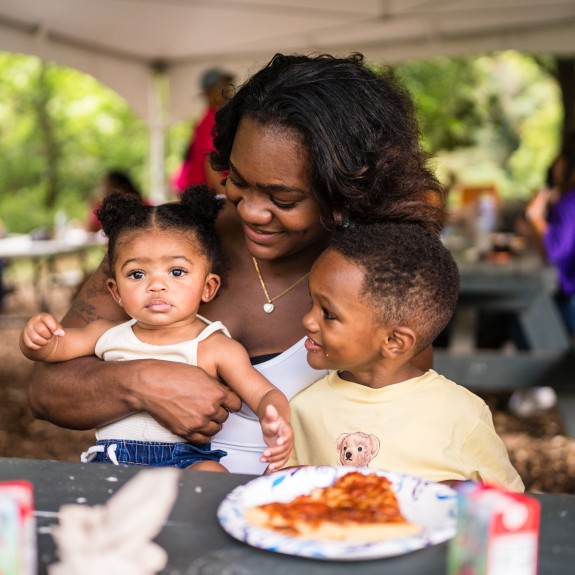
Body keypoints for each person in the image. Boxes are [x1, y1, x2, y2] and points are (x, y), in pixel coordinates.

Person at [28, 52, 445, 475]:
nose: (250, 211)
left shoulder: (379, 278)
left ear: (349, 191)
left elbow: (392, 429)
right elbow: (47, 391)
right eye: (238, 182)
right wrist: (141, 382)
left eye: (283, 199)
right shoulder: (163, 242)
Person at [20, 187, 292, 472]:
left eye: (176, 272)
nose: (156, 285)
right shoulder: (105, 333)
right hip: (113, 461)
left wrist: (276, 419)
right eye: (137, 274)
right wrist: (37, 338)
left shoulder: (213, 346)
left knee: (212, 473)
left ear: (208, 287)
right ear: (116, 292)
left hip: (185, 461)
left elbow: (262, 394)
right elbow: (52, 350)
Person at [287, 221, 524, 492]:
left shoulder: (462, 415)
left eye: (328, 313)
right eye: (310, 303)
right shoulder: (303, 409)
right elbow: (286, 491)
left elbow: (508, 502)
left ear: (393, 342)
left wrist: (452, 492)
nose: (307, 320)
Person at [526, 133, 575, 335]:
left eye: (561, 158)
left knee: (528, 316)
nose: (555, 165)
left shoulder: (570, 201)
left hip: (570, 299)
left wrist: (535, 216)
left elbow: (553, 251)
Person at [171, 68, 235, 196]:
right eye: (221, 86)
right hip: (207, 196)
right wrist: (229, 197)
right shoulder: (213, 121)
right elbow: (210, 162)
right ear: (208, 92)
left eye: (228, 84)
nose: (228, 90)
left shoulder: (215, 118)